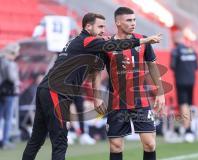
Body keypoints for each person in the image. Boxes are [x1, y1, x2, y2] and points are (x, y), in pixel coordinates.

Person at [22, 12, 162, 160]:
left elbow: (88, 70)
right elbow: (115, 44)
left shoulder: (80, 42)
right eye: (100, 26)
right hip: (56, 91)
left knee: (36, 139)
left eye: (104, 26)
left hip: (46, 89)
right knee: (60, 140)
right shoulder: (87, 41)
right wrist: (144, 41)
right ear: (88, 27)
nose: (103, 30)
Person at [97, 7, 165, 160]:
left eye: (134, 20)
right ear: (118, 23)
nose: (133, 23)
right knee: (115, 146)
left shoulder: (144, 40)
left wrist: (160, 93)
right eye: (129, 20)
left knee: (150, 144)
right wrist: (97, 96)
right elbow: (96, 71)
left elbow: (152, 66)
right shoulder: (107, 45)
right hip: (117, 102)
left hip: (141, 101)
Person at [170, 31, 198, 142]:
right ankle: (188, 127)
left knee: (183, 104)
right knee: (190, 104)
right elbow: (196, 66)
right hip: (191, 80)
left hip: (181, 80)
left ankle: (187, 129)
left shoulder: (176, 51)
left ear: (177, 38)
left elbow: (172, 65)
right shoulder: (192, 50)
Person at [0, 43, 21, 149]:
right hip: (9, 92)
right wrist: (18, 83)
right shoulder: (10, 63)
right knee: (7, 117)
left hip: (1, 92)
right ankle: (5, 141)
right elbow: (12, 78)